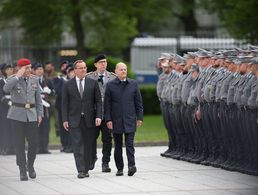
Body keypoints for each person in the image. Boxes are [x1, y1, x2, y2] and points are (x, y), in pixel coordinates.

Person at [3, 58, 43, 181]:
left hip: (31, 114)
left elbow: (38, 100)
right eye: (26, 67)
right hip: (16, 115)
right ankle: (22, 170)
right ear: (19, 68)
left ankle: (30, 165)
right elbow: (6, 89)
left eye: (30, 67)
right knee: (19, 144)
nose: (29, 70)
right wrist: (17, 77)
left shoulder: (34, 79)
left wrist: (40, 114)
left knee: (34, 143)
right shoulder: (12, 79)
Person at [62, 59, 102, 178]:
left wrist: (99, 116)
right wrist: (65, 119)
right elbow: (64, 104)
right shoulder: (68, 84)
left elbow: (99, 102)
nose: (84, 69)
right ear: (75, 70)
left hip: (89, 120)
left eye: (85, 67)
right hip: (74, 120)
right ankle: (81, 170)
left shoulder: (92, 83)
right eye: (81, 68)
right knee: (78, 145)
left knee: (89, 145)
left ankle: (88, 164)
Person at [104, 62, 143, 176]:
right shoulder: (110, 85)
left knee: (130, 144)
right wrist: (108, 120)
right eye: (121, 69)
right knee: (118, 145)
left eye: (125, 69)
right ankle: (119, 168)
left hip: (130, 119)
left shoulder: (133, 84)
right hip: (116, 121)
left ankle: (132, 166)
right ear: (116, 71)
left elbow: (138, 103)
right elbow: (107, 105)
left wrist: (139, 117)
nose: (123, 71)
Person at [87, 54, 116, 172]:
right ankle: (92, 158)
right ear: (95, 65)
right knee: (91, 138)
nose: (103, 64)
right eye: (100, 62)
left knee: (107, 139)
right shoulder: (89, 77)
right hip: (94, 114)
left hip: (108, 114)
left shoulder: (113, 77)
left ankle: (105, 163)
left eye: (104, 62)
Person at [33, 62, 55, 154]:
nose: (40, 71)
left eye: (41, 69)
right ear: (34, 71)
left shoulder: (47, 80)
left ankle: (44, 147)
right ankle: (37, 147)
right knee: (36, 128)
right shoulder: (32, 80)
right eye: (38, 69)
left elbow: (54, 92)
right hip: (35, 107)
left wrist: (50, 91)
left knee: (46, 128)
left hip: (45, 108)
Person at [0, 63, 15, 155]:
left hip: (15, 106)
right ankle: (6, 147)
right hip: (5, 107)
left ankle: (14, 147)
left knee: (14, 128)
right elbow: (1, 95)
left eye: (11, 69)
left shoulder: (15, 80)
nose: (10, 71)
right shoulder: (1, 82)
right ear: (4, 71)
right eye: (8, 69)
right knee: (6, 128)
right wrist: (7, 101)